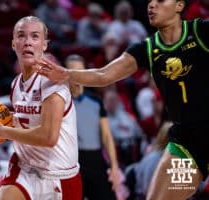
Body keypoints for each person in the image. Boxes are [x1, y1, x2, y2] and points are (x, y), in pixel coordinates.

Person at [35, 0, 208, 199]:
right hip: (187, 148)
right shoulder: (148, 48)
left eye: (160, 0)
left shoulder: (200, 31)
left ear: (179, 6)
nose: (151, 5)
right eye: (150, 1)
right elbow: (103, 75)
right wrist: (65, 73)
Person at [0, 16, 82, 200]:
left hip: (59, 178)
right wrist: (3, 119)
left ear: (44, 45)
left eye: (35, 37)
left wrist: (2, 131)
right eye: (21, 36)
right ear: (14, 44)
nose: (28, 42)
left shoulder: (53, 85)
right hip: (25, 170)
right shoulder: (16, 84)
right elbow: (26, 119)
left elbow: (48, 137)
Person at [65, 54, 120, 200]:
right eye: (72, 71)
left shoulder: (96, 101)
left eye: (80, 71)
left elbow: (107, 136)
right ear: (66, 73)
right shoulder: (60, 101)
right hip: (71, 162)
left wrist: (114, 167)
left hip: (96, 161)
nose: (76, 76)